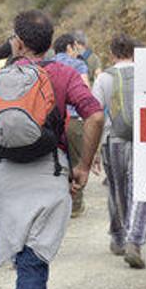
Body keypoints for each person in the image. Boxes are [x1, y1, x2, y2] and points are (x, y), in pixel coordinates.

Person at [0, 10, 104, 289]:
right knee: (34, 261)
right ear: (49, 44)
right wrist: (83, 166)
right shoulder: (64, 74)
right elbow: (95, 116)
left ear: (18, 43)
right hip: (48, 172)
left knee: (29, 257)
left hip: (5, 175)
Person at [92, 33, 146, 269]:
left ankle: (118, 238)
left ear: (112, 53)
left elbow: (95, 115)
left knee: (117, 189)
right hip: (145, 140)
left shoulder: (105, 78)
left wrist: (94, 151)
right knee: (143, 188)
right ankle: (134, 240)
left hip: (113, 139)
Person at [52, 34, 92, 218]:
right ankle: (75, 205)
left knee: (56, 161)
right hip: (75, 119)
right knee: (77, 161)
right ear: (70, 47)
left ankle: (57, 203)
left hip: (53, 120)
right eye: (75, 46)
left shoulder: (48, 64)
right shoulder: (78, 65)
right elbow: (85, 93)